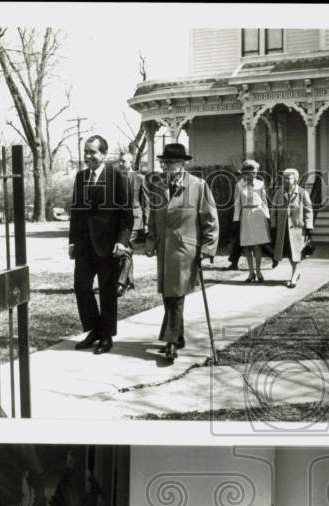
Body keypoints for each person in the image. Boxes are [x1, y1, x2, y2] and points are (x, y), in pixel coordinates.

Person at [145, 142, 219, 364]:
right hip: (164, 249)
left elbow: (210, 219)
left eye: (172, 163)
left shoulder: (198, 186)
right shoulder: (158, 186)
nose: (168, 167)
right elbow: (153, 216)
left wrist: (208, 247)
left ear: (183, 163)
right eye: (165, 163)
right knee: (170, 294)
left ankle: (170, 342)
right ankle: (177, 336)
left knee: (176, 295)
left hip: (185, 249)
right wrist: (150, 240)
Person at [68, 134, 133, 355]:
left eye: (92, 152)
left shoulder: (118, 177)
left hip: (108, 246)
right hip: (85, 246)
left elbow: (127, 215)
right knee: (81, 286)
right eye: (85, 152)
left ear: (104, 154)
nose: (88, 156)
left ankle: (106, 336)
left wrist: (122, 242)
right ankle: (94, 329)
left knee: (107, 292)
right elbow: (76, 213)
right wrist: (72, 242)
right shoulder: (80, 177)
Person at [270, 168, 314, 289]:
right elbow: (274, 209)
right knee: (289, 252)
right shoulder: (279, 193)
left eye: (289, 178)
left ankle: (294, 275)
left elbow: (308, 210)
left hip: (297, 229)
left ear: (295, 179)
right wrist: (273, 224)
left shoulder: (302, 192)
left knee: (296, 252)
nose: (286, 180)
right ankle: (296, 272)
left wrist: (309, 226)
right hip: (283, 228)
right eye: (285, 178)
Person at [231, 160, 271, 283]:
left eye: (254, 172)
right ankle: (250, 272)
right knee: (247, 246)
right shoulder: (239, 185)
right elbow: (237, 203)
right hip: (246, 216)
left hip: (258, 215)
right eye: (249, 173)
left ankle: (258, 271)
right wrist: (236, 219)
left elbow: (264, 201)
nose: (252, 175)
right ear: (244, 173)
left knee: (257, 245)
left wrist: (267, 216)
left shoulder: (260, 184)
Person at [116, 151, 147, 296]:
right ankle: (130, 281)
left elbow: (146, 201)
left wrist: (147, 222)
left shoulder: (140, 178)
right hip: (121, 219)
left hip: (135, 218)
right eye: (120, 161)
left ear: (131, 162)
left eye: (124, 161)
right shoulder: (116, 178)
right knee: (127, 249)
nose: (121, 163)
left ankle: (121, 283)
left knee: (125, 248)